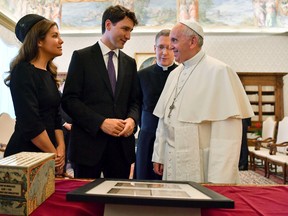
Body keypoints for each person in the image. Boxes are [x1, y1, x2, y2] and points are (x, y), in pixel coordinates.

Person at [152, 21, 254, 184]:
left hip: (202, 164)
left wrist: (221, 180)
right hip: (172, 160)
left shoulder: (219, 71)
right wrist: (159, 155)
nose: (170, 47)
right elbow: (164, 120)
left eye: (175, 40)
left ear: (192, 41)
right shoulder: (174, 74)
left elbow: (227, 135)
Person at [61, 5, 140, 179]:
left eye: (131, 30)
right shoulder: (81, 57)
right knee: (86, 204)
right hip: (88, 148)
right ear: (109, 24)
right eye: (125, 29)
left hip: (121, 149)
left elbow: (135, 101)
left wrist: (132, 120)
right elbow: (69, 100)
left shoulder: (130, 63)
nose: (128, 36)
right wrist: (101, 123)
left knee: (118, 204)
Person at [4, 14, 65, 175]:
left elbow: (56, 117)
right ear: (38, 41)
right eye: (55, 36)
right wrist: (53, 154)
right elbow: (31, 123)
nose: (61, 41)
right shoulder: (23, 72)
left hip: (47, 153)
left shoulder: (48, 74)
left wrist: (61, 148)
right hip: (26, 156)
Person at [135, 29, 177, 180]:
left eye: (169, 47)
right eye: (160, 47)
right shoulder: (141, 75)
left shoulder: (181, 74)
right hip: (147, 135)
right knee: (144, 182)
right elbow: (137, 106)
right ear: (154, 48)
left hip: (173, 138)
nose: (164, 52)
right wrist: (145, 126)